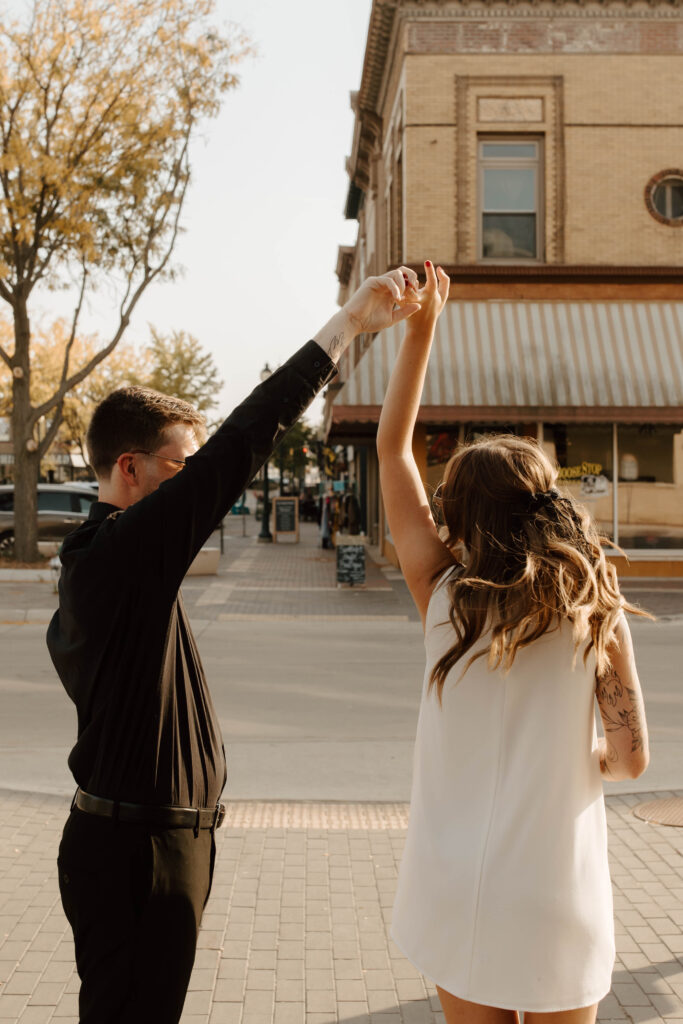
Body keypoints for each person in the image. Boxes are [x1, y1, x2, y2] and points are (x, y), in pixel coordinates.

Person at [46, 269, 420, 1024]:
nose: (198, 486)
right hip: (137, 852)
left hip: (146, 844)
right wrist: (345, 324)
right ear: (130, 469)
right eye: (179, 467)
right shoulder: (118, 558)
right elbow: (241, 444)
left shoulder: (115, 564)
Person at [377, 261, 650, 1024]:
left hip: (456, 891)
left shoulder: (441, 596)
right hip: (556, 894)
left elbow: (392, 450)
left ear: (458, 513)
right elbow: (630, 760)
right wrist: (578, 758)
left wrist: (421, 332)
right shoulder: (595, 608)